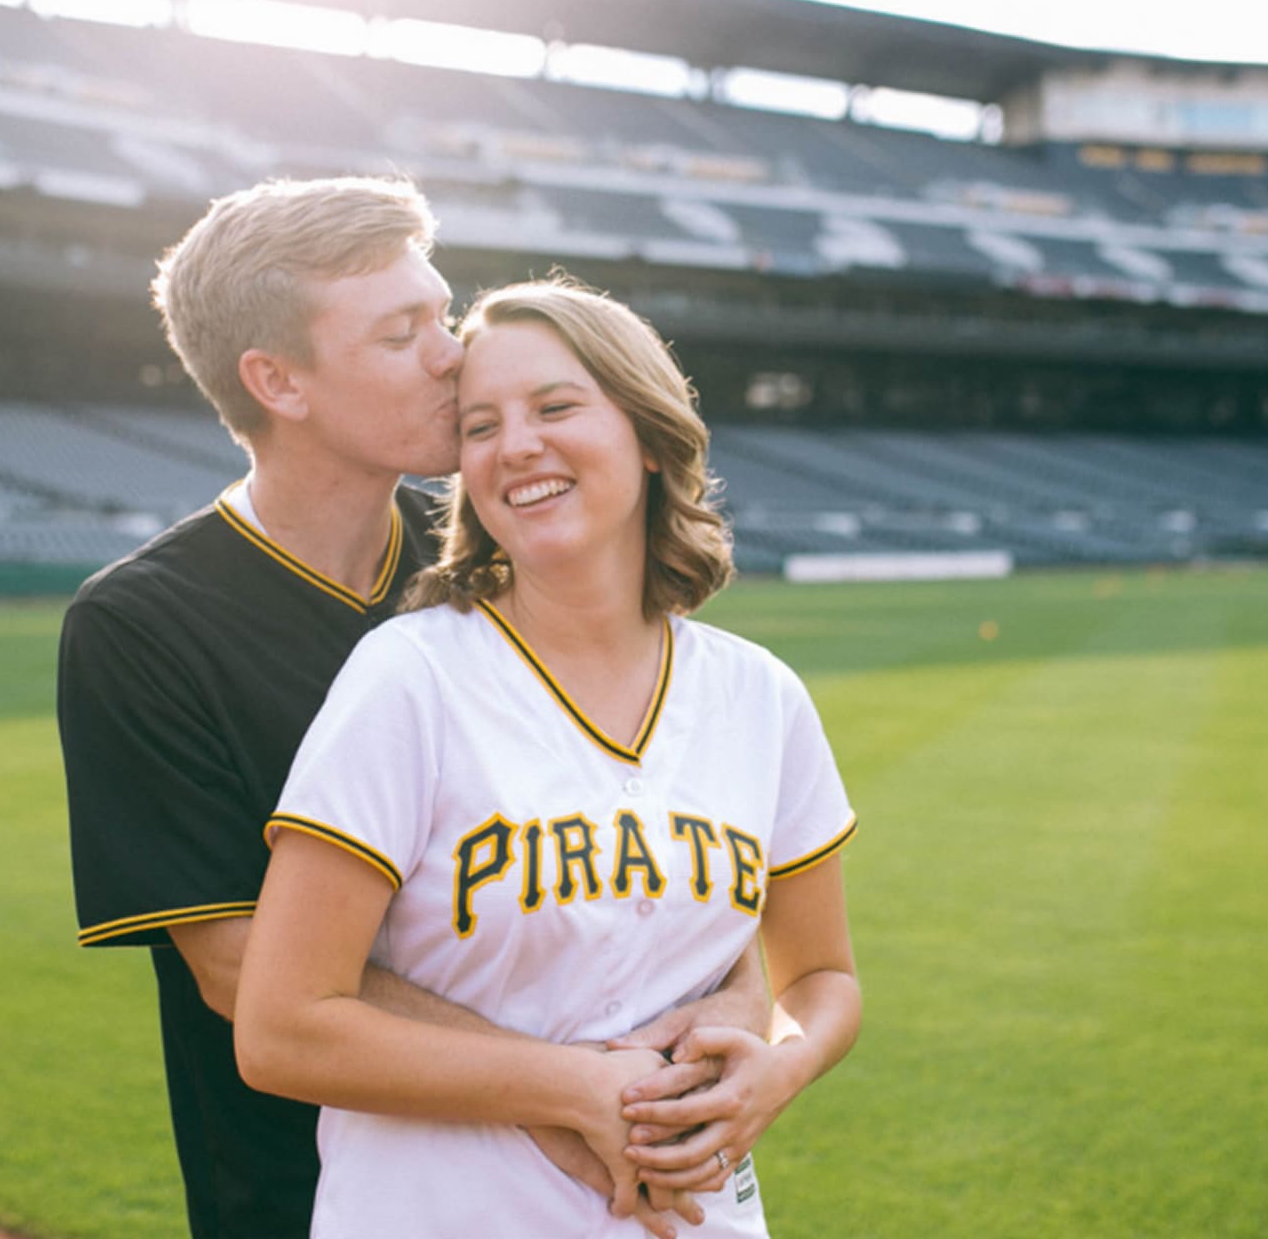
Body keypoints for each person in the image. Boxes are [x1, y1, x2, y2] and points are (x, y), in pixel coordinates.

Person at [59, 181, 775, 1239]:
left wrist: (735, 1003)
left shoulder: (498, 542)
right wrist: (572, 1088)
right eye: (404, 333)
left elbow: (663, 830)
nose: (453, 353)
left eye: (442, 313)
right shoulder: (142, 626)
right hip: (312, 1198)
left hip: (591, 1195)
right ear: (277, 381)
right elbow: (243, 971)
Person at [234, 278, 863, 1237]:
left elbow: (823, 979)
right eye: (479, 427)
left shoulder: (759, 695)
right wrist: (572, 1087)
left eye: (557, 407)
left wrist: (777, 1064)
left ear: (650, 437)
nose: (516, 445)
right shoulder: (410, 678)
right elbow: (283, 1028)